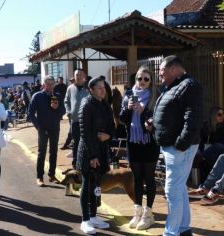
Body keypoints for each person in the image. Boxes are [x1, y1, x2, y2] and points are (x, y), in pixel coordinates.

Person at [153, 55, 203, 236]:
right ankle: (183, 228)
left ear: (173, 69)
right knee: (179, 188)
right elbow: (172, 113)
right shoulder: (175, 86)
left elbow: (193, 118)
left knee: (172, 189)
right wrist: (155, 123)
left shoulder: (189, 85)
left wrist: (181, 144)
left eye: (162, 72)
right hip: (173, 146)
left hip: (179, 147)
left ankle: (171, 232)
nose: (160, 76)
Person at [119, 66, 159, 230]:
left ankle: (148, 214)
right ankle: (137, 212)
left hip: (149, 142)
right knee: (136, 178)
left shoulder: (155, 97)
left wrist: (143, 112)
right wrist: (128, 109)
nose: (142, 82)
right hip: (133, 142)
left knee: (148, 178)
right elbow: (122, 120)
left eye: (146, 79)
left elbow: (159, 121)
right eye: (139, 79)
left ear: (150, 81)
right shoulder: (129, 95)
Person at [76, 76, 114, 235]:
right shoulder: (86, 105)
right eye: (99, 87)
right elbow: (84, 134)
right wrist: (92, 157)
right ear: (91, 90)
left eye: (104, 87)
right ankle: (85, 220)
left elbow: (112, 126)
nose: (103, 90)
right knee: (87, 185)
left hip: (102, 150)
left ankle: (93, 216)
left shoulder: (104, 104)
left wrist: (109, 136)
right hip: (88, 153)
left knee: (97, 185)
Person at [28, 76, 66, 187]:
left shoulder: (57, 96)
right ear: (44, 84)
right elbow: (30, 112)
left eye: (52, 84)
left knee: (54, 152)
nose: (50, 86)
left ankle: (52, 175)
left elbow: (63, 111)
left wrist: (57, 108)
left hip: (55, 127)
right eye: (48, 84)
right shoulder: (38, 96)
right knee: (42, 152)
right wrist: (37, 126)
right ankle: (40, 177)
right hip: (42, 128)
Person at [198, 106, 224, 182]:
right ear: (213, 115)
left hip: (223, 148)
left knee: (216, 146)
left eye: (223, 114)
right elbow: (201, 141)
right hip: (211, 151)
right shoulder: (206, 125)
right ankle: (205, 183)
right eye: (219, 114)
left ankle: (202, 156)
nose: (222, 116)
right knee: (211, 157)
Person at [64, 69, 89, 169]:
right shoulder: (70, 88)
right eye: (76, 75)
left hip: (86, 121)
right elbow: (66, 101)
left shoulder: (88, 88)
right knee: (76, 141)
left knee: (86, 141)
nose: (78, 76)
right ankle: (75, 162)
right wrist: (68, 112)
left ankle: (85, 161)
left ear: (84, 76)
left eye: (80, 75)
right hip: (74, 121)